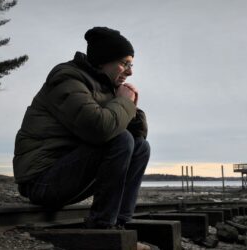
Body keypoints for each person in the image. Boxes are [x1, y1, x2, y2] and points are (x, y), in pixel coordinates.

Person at [13, 27, 150, 229]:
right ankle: (102, 227)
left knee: (141, 147)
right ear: (104, 60)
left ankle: (121, 225)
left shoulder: (105, 87)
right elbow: (100, 130)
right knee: (121, 140)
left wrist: (131, 106)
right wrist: (123, 103)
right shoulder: (67, 79)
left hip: (69, 175)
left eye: (131, 65)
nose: (130, 72)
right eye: (124, 64)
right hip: (42, 181)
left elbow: (138, 135)